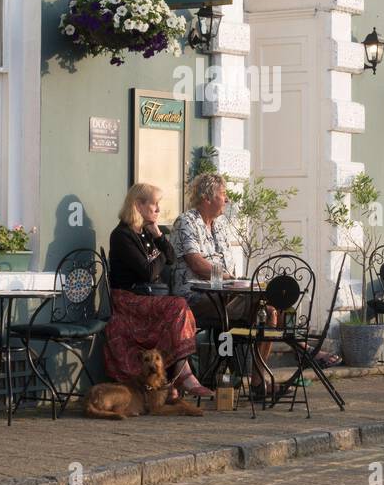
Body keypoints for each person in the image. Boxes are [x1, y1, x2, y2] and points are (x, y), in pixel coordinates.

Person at [173, 171, 278, 398]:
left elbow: (227, 266)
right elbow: (197, 263)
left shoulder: (220, 225)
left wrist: (235, 281)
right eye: (223, 194)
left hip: (225, 297)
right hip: (195, 299)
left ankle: (258, 381)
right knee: (248, 306)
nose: (227, 199)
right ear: (207, 197)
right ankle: (223, 376)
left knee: (269, 312)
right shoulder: (186, 222)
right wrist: (230, 279)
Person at [105, 183, 212, 398]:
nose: (158, 209)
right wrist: (160, 252)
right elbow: (149, 272)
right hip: (129, 300)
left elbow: (171, 258)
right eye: (154, 204)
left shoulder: (147, 232)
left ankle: (175, 377)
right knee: (179, 305)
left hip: (150, 297)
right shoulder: (122, 235)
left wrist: (159, 237)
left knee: (179, 309)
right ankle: (184, 376)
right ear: (138, 205)